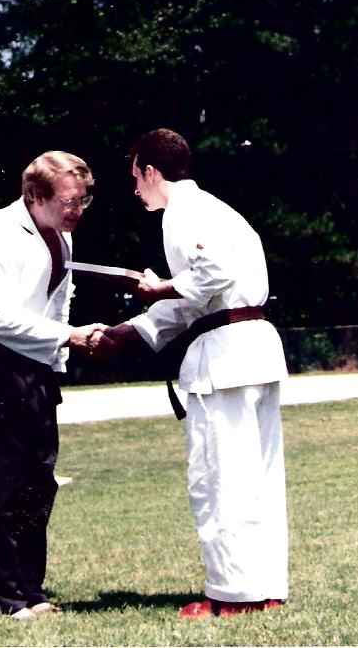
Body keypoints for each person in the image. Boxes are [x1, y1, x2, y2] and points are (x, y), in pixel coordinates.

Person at [97, 128, 289, 619]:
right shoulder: (215, 210)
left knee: (219, 476)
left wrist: (158, 288)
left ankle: (230, 593)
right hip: (249, 347)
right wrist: (129, 331)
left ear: (151, 170)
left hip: (227, 355)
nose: (135, 189)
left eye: (135, 177)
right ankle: (261, 587)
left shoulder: (186, 212)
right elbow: (193, 300)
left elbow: (211, 275)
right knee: (254, 474)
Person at [0, 151, 107, 620]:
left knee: (36, 481)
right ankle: (1, 595)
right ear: (35, 196)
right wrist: (68, 336)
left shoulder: (61, 239)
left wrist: (61, 357)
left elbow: (56, 308)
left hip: (33, 367)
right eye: (69, 201)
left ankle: (30, 588)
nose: (77, 211)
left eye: (84, 201)